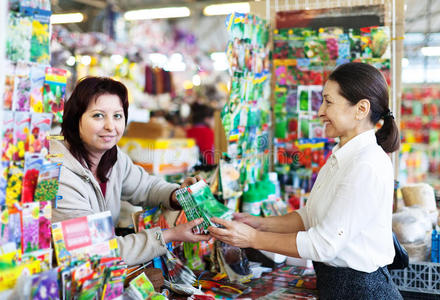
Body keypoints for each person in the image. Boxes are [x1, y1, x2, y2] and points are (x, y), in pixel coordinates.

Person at [208, 62, 402, 299]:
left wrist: (252, 238)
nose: (320, 111)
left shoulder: (366, 165)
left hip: (361, 290)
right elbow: (309, 217)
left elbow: (323, 244)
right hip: (337, 285)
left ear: (361, 109)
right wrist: (258, 223)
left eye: (328, 102)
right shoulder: (342, 158)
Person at [51, 77, 210, 266]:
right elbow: (94, 251)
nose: (110, 126)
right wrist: (169, 236)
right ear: (75, 119)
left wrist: (177, 195)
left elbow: (146, 186)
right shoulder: (57, 174)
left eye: (117, 116)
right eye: (98, 116)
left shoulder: (112, 157)